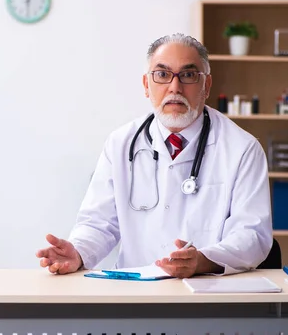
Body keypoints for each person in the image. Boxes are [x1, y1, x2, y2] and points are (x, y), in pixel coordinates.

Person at [36, 33, 273, 279]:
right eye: (162, 75)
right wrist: (78, 252)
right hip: (134, 294)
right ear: (146, 86)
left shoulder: (242, 149)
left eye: (189, 75)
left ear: (207, 86)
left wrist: (203, 261)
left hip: (206, 294)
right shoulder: (120, 144)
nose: (175, 87)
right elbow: (98, 223)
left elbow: (252, 235)